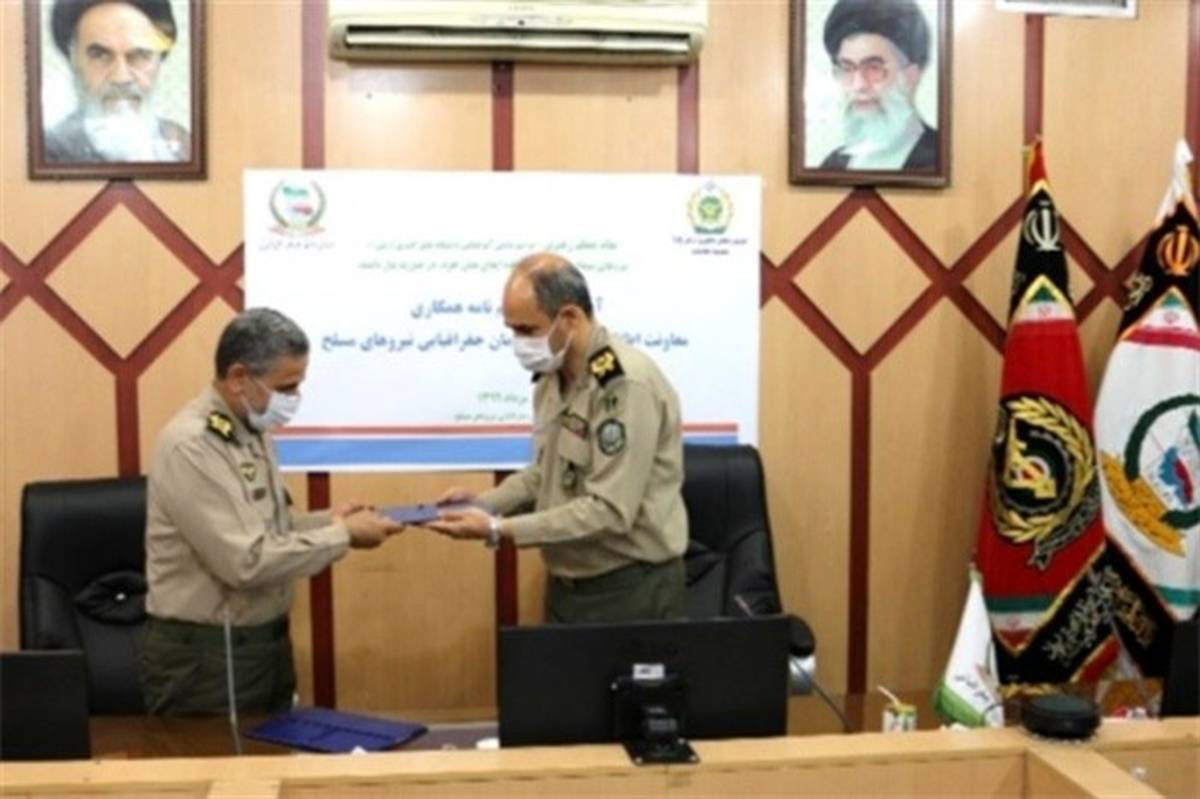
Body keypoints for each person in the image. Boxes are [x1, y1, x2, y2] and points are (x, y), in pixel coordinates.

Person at [141, 308, 403, 715]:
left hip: (264, 647)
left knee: (273, 752)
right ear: (239, 377)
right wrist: (344, 535)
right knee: (217, 757)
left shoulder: (250, 429)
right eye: (286, 387)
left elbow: (269, 528)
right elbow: (245, 562)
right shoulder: (193, 446)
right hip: (209, 660)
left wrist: (331, 520)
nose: (294, 399)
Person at [429, 253, 689, 623]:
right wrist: (484, 504)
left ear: (569, 318)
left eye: (527, 330)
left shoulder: (623, 384)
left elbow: (609, 511)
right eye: (512, 331)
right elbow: (543, 473)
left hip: (630, 590)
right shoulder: (552, 377)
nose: (518, 343)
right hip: (567, 586)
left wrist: (499, 530)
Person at [44, 0, 190, 163]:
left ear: (159, 59)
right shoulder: (46, 152)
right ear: (74, 60)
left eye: (139, 55)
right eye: (100, 56)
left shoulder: (183, 146)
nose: (121, 78)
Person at [818, 0, 937, 171]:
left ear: (911, 75)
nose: (859, 85)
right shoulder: (833, 165)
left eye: (874, 68)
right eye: (847, 68)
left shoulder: (940, 160)